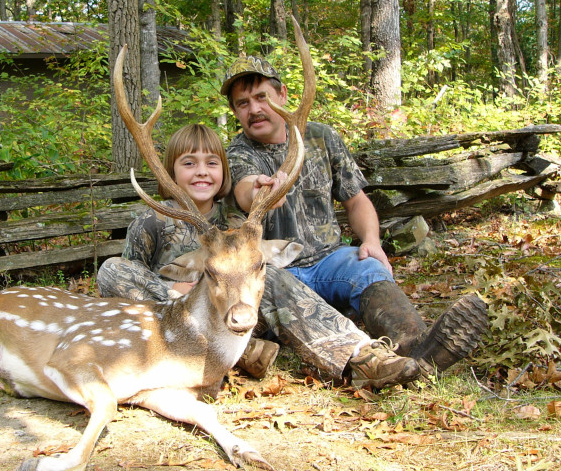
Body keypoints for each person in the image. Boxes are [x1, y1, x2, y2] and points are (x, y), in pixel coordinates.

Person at [220, 55, 489, 377]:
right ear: (235, 112)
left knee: (366, 267)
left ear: (283, 95)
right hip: (278, 273)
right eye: (242, 104)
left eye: (261, 97)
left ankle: (416, 345)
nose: (253, 110)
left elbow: (356, 201)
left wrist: (372, 241)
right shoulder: (238, 152)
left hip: (329, 262)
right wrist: (262, 192)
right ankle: (372, 365)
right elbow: (245, 189)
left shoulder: (321, 137)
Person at [98, 124, 422, 388]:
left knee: (272, 273)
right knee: (112, 271)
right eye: (188, 163)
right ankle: (241, 353)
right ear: (169, 172)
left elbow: (249, 204)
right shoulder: (150, 222)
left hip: (239, 315)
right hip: (178, 323)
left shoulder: (236, 222)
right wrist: (176, 293)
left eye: (212, 163)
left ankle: (362, 356)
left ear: (224, 172)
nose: (201, 172)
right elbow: (129, 284)